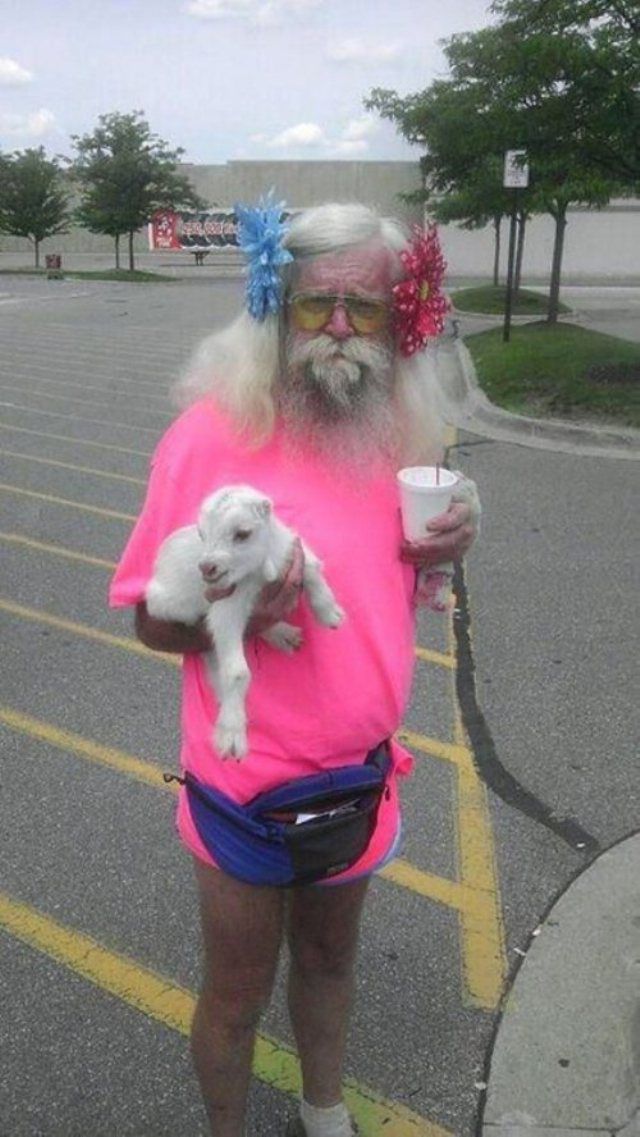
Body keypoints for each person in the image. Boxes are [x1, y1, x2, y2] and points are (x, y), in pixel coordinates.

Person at [109, 200, 479, 1137]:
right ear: (276, 308)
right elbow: (149, 619)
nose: (342, 327)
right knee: (236, 993)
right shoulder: (208, 437)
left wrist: (452, 543)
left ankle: (324, 1112)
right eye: (317, 305)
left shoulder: (402, 433)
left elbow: (402, 582)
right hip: (245, 789)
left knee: (329, 962)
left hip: (359, 775)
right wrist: (241, 621)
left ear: (399, 318)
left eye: (367, 307)